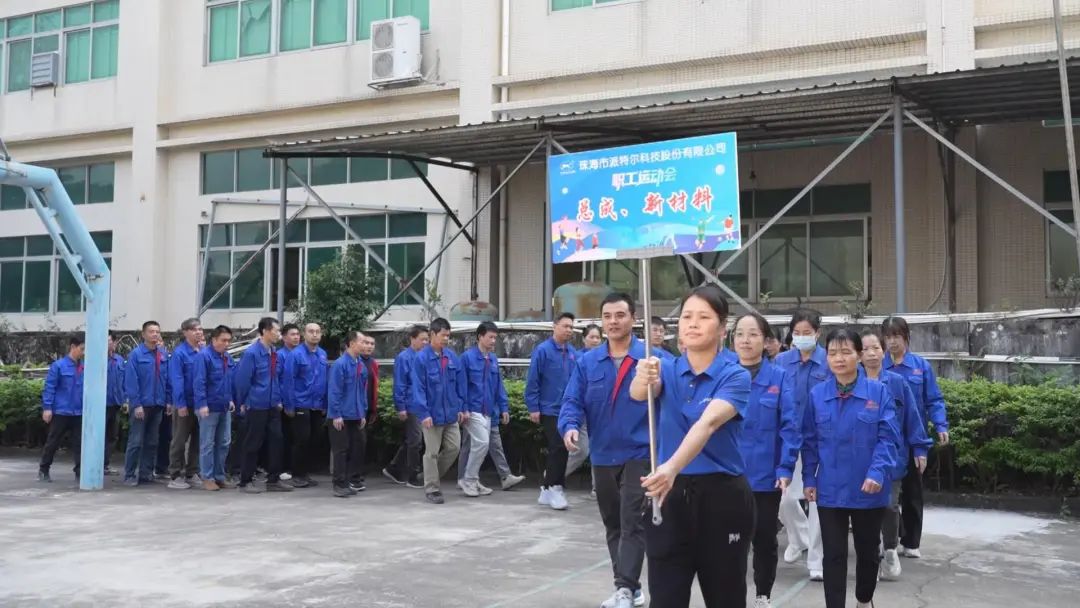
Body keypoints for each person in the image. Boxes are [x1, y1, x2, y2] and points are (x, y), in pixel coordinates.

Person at [632, 285, 754, 608]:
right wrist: (643, 376)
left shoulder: (735, 376)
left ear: (722, 328)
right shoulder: (665, 367)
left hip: (721, 496)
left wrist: (671, 467)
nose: (693, 324)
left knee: (726, 597)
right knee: (666, 598)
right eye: (687, 317)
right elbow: (639, 393)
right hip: (670, 497)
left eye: (704, 317)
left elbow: (708, 423)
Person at [560, 293, 650, 608]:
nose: (613, 322)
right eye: (608, 316)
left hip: (640, 453)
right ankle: (630, 588)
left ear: (634, 318)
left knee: (632, 521)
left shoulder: (652, 360)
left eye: (620, 315)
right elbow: (572, 400)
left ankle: (624, 588)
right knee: (613, 523)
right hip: (603, 454)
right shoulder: (588, 362)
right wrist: (570, 426)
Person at [802, 328, 900, 608]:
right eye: (833, 353)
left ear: (859, 355)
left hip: (868, 488)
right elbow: (809, 442)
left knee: (867, 552)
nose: (839, 358)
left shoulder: (878, 392)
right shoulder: (817, 395)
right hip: (830, 488)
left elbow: (888, 438)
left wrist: (877, 472)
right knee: (833, 555)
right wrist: (809, 478)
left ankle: (863, 599)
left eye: (846, 352)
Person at [732, 314, 800, 608]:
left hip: (765, 476)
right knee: (729, 541)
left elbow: (790, 426)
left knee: (764, 539)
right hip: (727, 475)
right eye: (739, 334)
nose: (745, 340)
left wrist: (785, 467)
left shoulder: (779, 377)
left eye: (753, 334)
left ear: (766, 340)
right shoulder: (724, 374)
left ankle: (763, 595)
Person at [859, 329, 931, 581]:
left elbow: (912, 416)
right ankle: (870, 553)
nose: (871, 353)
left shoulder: (897, 382)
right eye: (865, 349)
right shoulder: (850, 383)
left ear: (883, 352)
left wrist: (920, 448)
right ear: (858, 355)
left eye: (876, 348)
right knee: (864, 508)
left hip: (892, 456)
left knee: (889, 504)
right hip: (859, 456)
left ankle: (890, 549)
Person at [881, 316, 949, 559]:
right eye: (888, 337)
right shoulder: (878, 367)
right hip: (886, 439)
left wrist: (940, 424)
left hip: (913, 439)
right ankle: (894, 533)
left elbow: (934, 399)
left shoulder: (920, 366)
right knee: (887, 494)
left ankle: (911, 541)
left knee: (912, 492)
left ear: (906, 337)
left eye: (897, 336)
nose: (892, 342)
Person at [773, 309, 830, 580]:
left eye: (807, 332)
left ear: (817, 333)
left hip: (818, 439)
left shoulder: (828, 361)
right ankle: (799, 537)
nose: (802, 337)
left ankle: (817, 561)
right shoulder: (782, 361)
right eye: (797, 333)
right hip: (788, 437)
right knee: (783, 495)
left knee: (816, 498)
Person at [409, 317, 466, 505]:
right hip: (432, 415)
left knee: (454, 448)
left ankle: (429, 475)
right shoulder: (421, 359)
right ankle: (432, 488)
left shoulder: (451, 357)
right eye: (443, 335)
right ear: (432, 334)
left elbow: (460, 385)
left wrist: (461, 407)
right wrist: (424, 413)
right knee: (431, 453)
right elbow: (418, 388)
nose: (446, 339)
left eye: (448, 336)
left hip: (450, 414)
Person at [234, 317, 293, 494]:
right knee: (253, 443)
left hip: (272, 404)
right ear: (265, 331)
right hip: (256, 404)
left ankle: (273, 480)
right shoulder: (252, 353)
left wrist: (278, 399)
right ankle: (245, 481)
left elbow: (275, 377)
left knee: (276, 441)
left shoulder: (273, 351)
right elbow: (243, 380)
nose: (278, 334)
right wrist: (243, 402)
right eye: (276, 330)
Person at [525, 312, 578, 510]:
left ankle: (547, 489)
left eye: (571, 327)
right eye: (565, 326)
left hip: (568, 408)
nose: (569, 330)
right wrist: (533, 406)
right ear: (555, 326)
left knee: (562, 447)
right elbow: (533, 379)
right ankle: (555, 487)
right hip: (549, 407)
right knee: (558, 446)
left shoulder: (572, 352)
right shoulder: (543, 350)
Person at [457, 322, 513, 496]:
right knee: (482, 443)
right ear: (480, 337)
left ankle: (473, 480)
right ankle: (468, 480)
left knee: (478, 446)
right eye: (490, 337)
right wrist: (464, 408)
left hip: (488, 411)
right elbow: (461, 385)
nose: (493, 340)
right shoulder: (467, 358)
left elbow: (498, 386)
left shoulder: (492, 358)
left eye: (495, 337)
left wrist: (503, 407)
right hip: (472, 409)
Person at [123, 321, 170, 487]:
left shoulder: (163, 354)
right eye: (151, 331)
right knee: (136, 441)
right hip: (141, 405)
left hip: (158, 404)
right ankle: (129, 474)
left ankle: (146, 473)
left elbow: (167, 379)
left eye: (157, 331)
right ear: (143, 334)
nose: (155, 334)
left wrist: (168, 401)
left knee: (152, 442)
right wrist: (136, 404)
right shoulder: (136, 355)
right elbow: (131, 381)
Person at [383, 325, 429, 488]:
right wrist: (401, 406)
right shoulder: (404, 358)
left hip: (424, 404)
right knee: (416, 441)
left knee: (413, 439)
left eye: (427, 339)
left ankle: (394, 468)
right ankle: (412, 475)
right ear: (412, 339)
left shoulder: (426, 356)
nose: (425, 342)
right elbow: (400, 384)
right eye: (422, 339)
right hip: (411, 403)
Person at [283, 322, 328, 489]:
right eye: (311, 331)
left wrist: (325, 404)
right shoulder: (295, 355)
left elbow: (325, 380)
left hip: (317, 404)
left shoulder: (322, 354)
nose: (314, 334)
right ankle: (297, 474)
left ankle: (305, 473)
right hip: (300, 403)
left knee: (315, 439)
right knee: (301, 439)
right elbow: (288, 381)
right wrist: (289, 405)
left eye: (317, 331)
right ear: (304, 334)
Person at [327, 331, 371, 498]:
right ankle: (338, 484)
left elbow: (362, 391)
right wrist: (336, 414)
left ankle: (349, 481)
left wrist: (363, 413)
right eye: (362, 342)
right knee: (341, 450)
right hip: (341, 416)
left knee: (356, 448)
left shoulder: (360, 364)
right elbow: (334, 391)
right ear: (352, 344)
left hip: (356, 415)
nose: (365, 345)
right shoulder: (340, 364)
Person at [193, 325, 236, 491]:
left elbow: (228, 380)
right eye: (223, 340)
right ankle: (207, 477)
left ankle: (219, 476)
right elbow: (199, 382)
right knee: (207, 443)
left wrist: (230, 399)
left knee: (224, 442)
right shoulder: (204, 356)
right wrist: (202, 404)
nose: (227, 344)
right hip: (209, 407)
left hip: (223, 406)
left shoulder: (226, 357)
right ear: (214, 340)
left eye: (228, 341)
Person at [38, 336, 86, 483]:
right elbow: (50, 387)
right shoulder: (59, 366)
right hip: (61, 411)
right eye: (82, 349)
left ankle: (80, 472)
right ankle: (44, 469)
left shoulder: (84, 366)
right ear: (73, 347)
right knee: (53, 442)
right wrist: (47, 408)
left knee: (79, 444)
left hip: (78, 411)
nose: (84, 352)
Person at [166, 318, 203, 490]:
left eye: (200, 329)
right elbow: (177, 379)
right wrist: (180, 404)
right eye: (194, 329)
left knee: (197, 440)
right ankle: (175, 474)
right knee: (179, 440)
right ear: (185, 332)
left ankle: (192, 472)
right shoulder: (180, 353)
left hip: (200, 404)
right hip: (184, 403)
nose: (198, 332)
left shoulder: (203, 351)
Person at [352, 332, 380, 490]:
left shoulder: (373, 363)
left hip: (368, 408)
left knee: (363, 444)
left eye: (372, 344)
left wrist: (374, 409)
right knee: (357, 442)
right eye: (366, 343)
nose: (369, 346)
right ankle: (351, 475)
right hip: (356, 409)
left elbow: (374, 386)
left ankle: (357, 473)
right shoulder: (356, 361)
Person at [103, 332, 125, 476]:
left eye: (109, 341)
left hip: (115, 403)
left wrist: (125, 399)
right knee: (99, 435)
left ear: (115, 343)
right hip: (101, 404)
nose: (107, 344)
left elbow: (124, 381)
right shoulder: (96, 359)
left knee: (112, 436)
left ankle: (105, 464)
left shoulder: (119, 360)